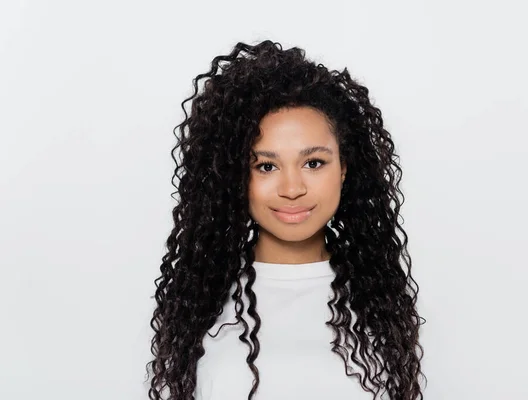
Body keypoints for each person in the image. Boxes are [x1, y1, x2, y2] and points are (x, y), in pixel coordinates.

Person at [145, 39, 426, 400]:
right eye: (266, 166)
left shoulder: (383, 304)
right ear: (236, 177)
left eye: (313, 163)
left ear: (343, 168)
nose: (292, 188)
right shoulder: (198, 302)